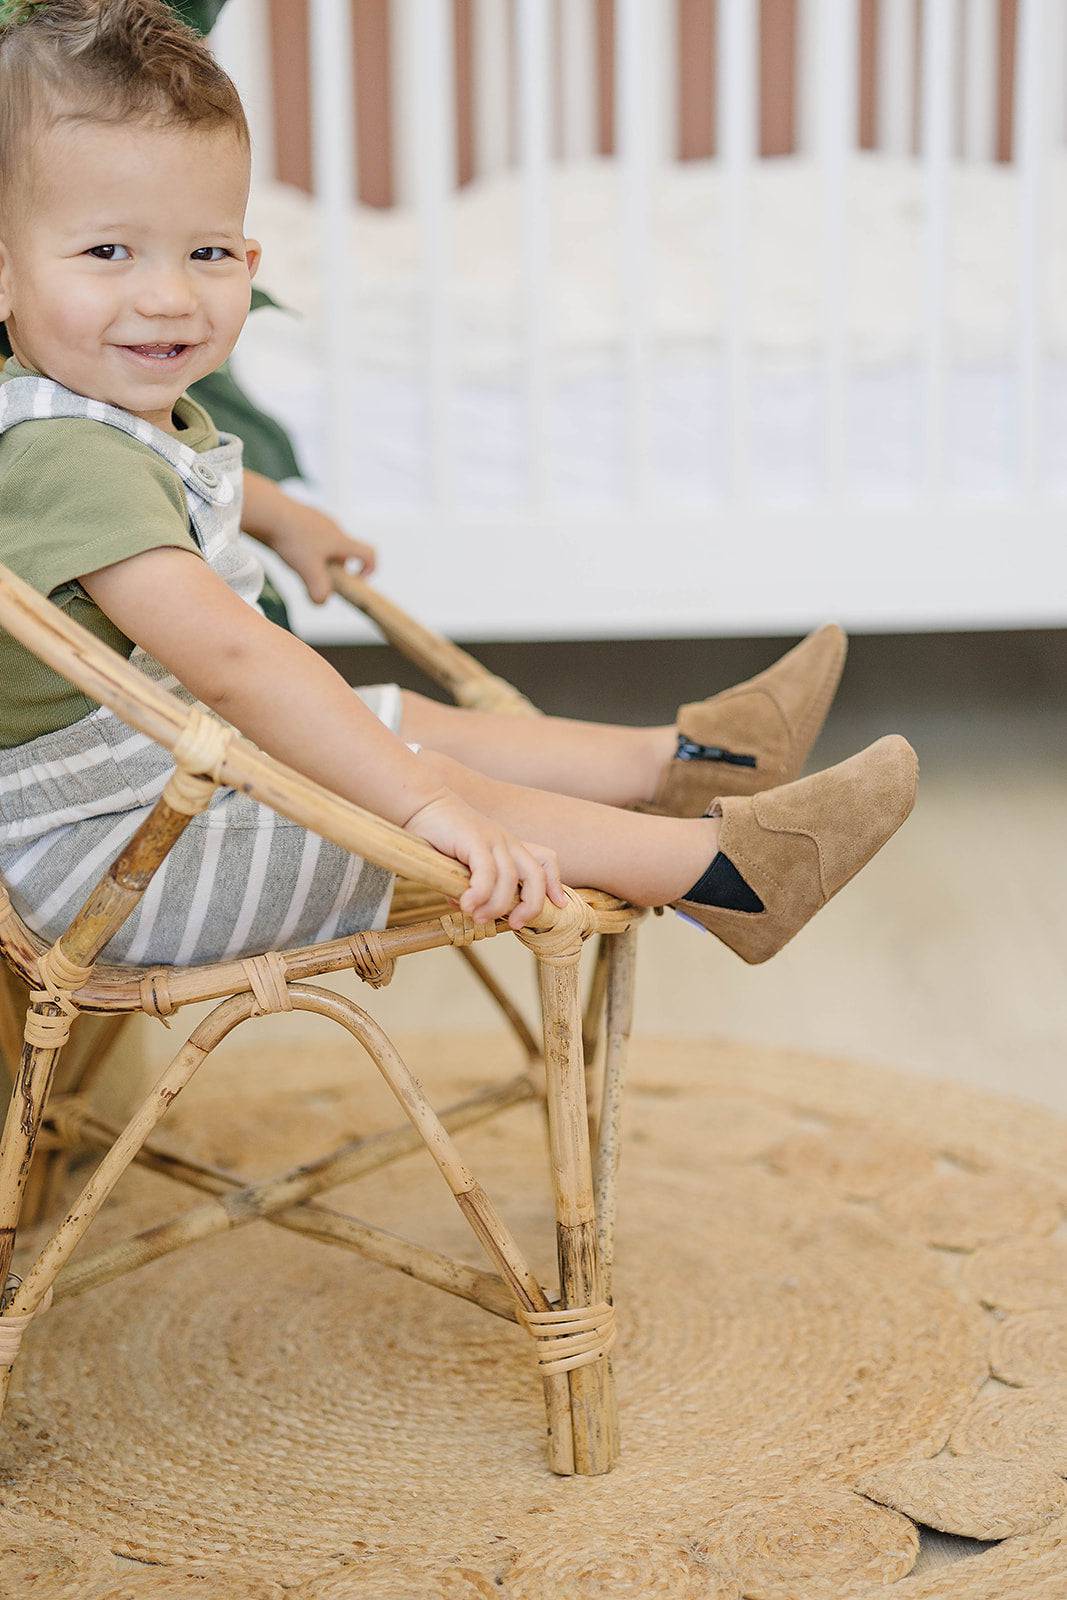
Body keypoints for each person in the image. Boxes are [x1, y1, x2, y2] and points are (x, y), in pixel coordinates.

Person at [0, 0, 916, 973]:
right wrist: (419, 800)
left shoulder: (86, 417)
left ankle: (690, 760)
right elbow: (232, 658)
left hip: (157, 802)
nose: (169, 295)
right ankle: (726, 873)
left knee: (394, 722)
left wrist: (278, 514)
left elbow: (157, 507)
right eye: (109, 252)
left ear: (249, 258)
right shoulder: (64, 453)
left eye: (208, 252)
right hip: (112, 872)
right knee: (413, 770)